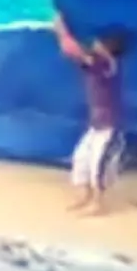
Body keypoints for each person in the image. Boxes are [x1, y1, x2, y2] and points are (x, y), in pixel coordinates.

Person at [56, 18, 130, 215]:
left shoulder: (108, 65)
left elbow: (77, 52)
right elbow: (78, 54)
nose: (95, 43)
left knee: (98, 165)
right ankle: (84, 196)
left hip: (109, 127)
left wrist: (61, 31)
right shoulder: (98, 62)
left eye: (100, 42)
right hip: (96, 125)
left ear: (108, 48)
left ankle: (98, 203)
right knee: (81, 159)